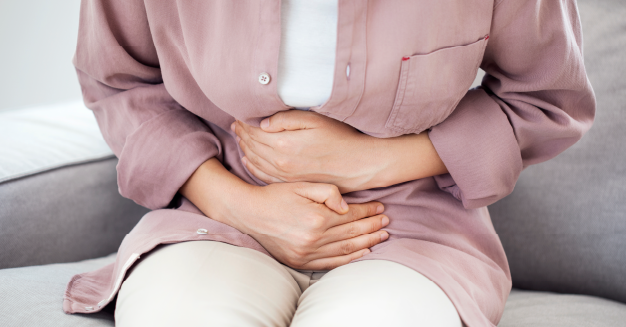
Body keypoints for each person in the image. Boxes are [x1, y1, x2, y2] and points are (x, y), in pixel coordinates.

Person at [62, 0, 595, 326]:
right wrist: (238, 203)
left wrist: (375, 161)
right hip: (214, 218)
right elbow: (118, 80)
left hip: (414, 232)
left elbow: (547, 100)